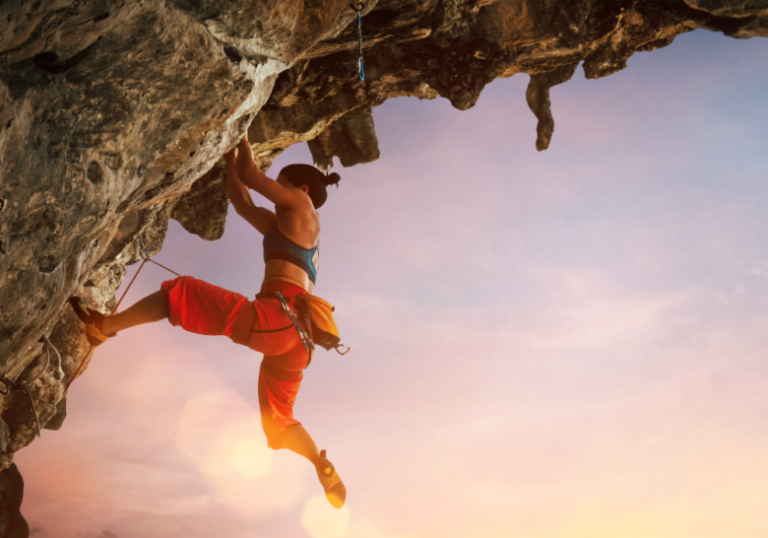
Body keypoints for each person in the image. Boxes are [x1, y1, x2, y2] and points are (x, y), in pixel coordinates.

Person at [69, 135, 346, 508]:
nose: (276, 189)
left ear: (301, 187)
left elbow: (251, 176)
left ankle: (104, 328)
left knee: (180, 293)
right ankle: (319, 462)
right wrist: (230, 161)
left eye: (280, 183)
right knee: (279, 421)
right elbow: (243, 201)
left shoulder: (301, 203)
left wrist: (244, 135)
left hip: (278, 321)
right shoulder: (292, 229)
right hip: (299, 344)